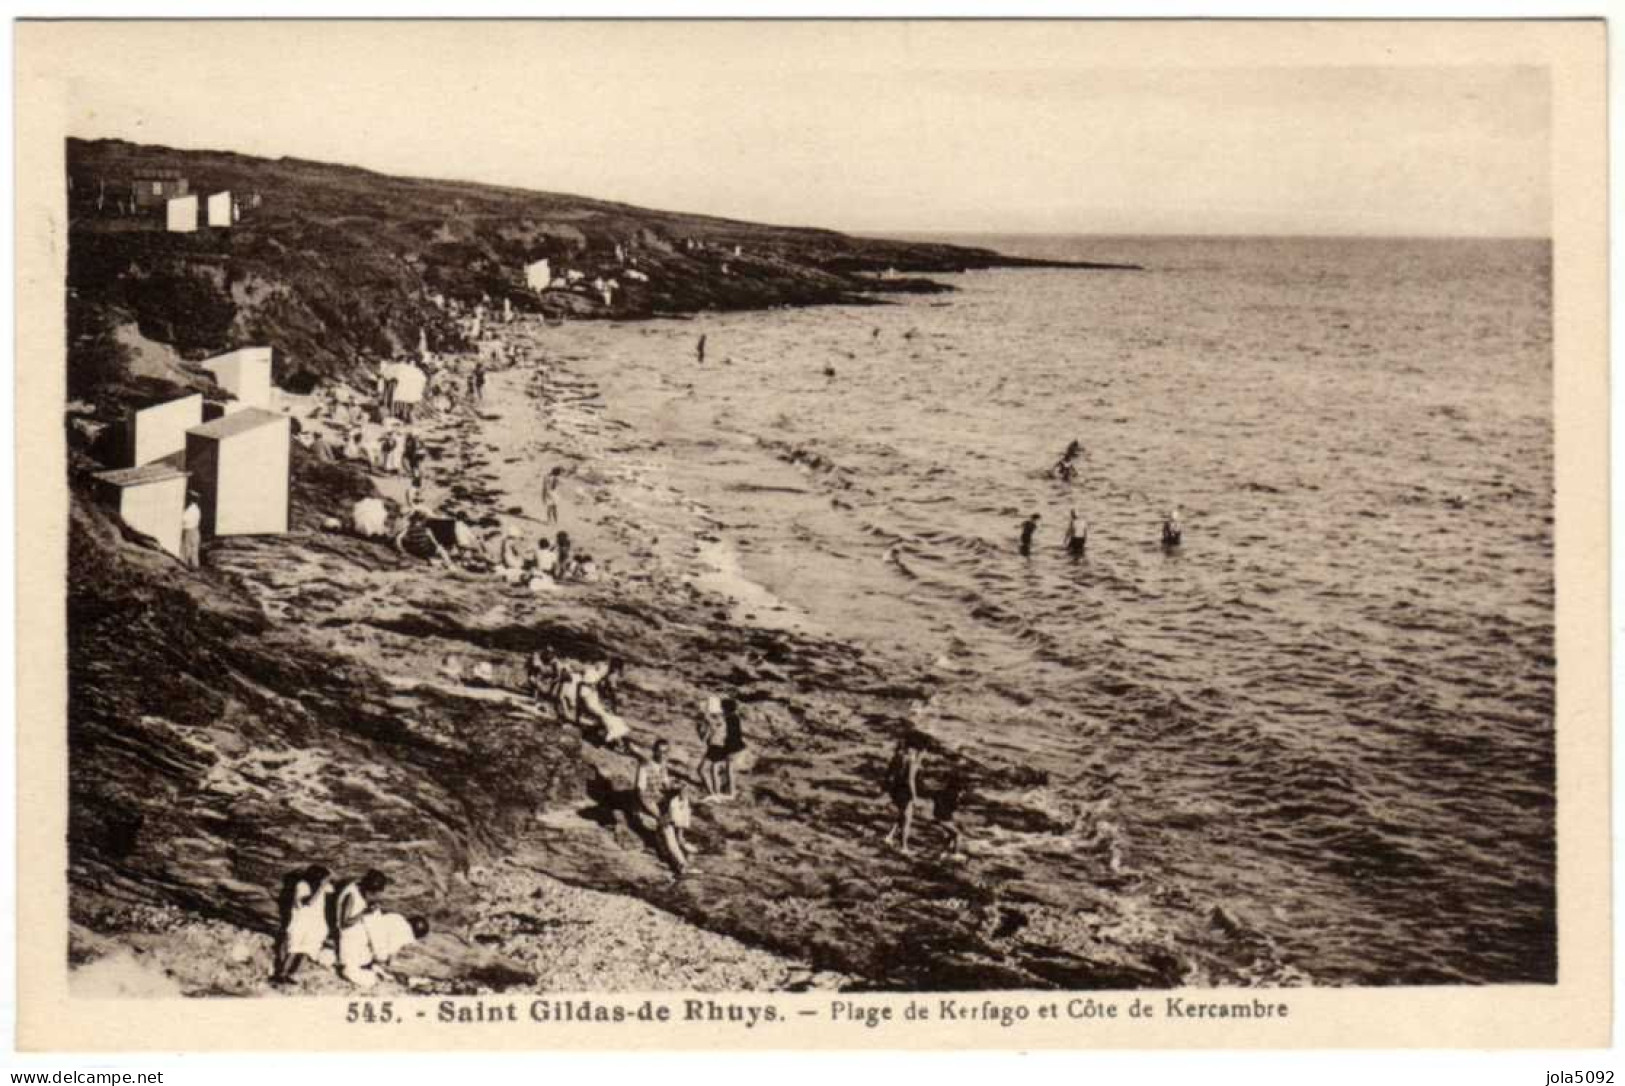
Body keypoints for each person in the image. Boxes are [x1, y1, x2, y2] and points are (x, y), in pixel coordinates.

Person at [272, 864, 332, 984]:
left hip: (314, 923)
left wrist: (326, 882)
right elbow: (308, 902)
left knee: (307, 949)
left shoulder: (321, 886)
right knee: (293, 948)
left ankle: (292, 974)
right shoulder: (302, 885)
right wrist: (321, 887)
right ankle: (281, 973)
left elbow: (331, 891)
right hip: (300, 922)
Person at [334, 870, 388, 986]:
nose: (373, 896)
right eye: (372, 893)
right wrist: (364, 912)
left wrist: (371, 907)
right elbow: (344, 923)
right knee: (365, 978)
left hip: (357, 933)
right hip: (348, 937)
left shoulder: (360, 890)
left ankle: (370, 965)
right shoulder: (351, 896)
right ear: (367, 889)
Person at [883, 732, 929, 854]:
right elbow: (910, 780)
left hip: (896, 789)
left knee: (902, 815)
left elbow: (890, 773)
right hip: (906, 792)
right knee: (907, 820)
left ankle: (890, 836)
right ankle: (904, 847)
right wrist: (914, 797)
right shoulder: (912, 761)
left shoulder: (899, 756)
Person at [697, 696, 746, 802]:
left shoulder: (725, 719)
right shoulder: (728, 718)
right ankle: (718, 793)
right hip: (723, 747)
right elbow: (706, 737)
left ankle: (720, 793)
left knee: (716, 769)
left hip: (722, 747)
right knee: (715, 769)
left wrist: (708, 721)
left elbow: (715, 732)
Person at [180, 492, 202, 570]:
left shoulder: (190, 509)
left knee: (187, 548)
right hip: (195, 530)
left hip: (189, 530)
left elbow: (184, 519)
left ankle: (185, 565)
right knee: (194, 549)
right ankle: (195, 565)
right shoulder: (197, 509)